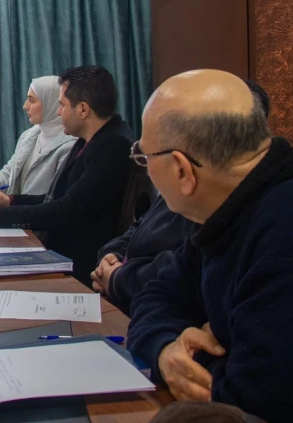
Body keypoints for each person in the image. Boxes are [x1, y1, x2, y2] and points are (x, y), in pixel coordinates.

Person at [126, 70, 293, 421]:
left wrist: (194, 355)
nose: (145, 167)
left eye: (144, 156)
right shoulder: (229, 207)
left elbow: (254, 397)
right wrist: (165, 347)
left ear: (182, 170)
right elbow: (156, 296)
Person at [92, 80, 272, 314]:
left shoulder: (238, 205)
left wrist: (118, 278)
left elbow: (186, 277)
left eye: (146, 155)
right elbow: (139, 228)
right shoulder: (187, 184)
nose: (148, 168)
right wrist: (111, 256)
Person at [0, 65, 134, 284]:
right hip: (58, 250)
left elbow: (69, 209)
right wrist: (10, 201)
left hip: (75, 265)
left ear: (83, 110)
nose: (58, 112)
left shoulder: (113, 146)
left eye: (62, 105)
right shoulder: (91, 138)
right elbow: (59, 197)